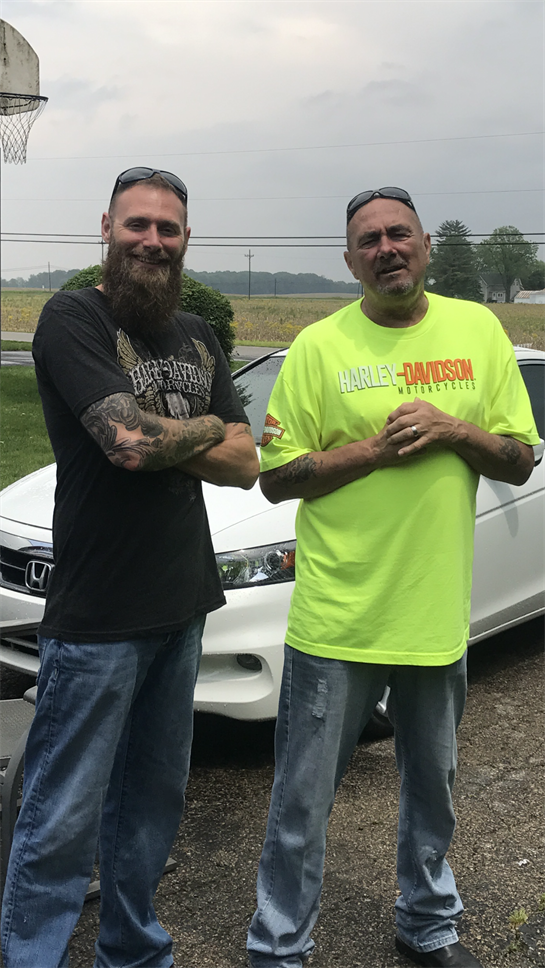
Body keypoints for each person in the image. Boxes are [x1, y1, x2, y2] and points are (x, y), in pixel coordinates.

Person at [247, 187, 539, 968]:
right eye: (368, 240)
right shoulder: (316, 347)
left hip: (434, 614)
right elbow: (276, 479)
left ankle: (427, 925)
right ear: (350, 262)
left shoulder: (477, 332)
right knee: (302, 804)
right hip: (335, 620)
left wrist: (452, 429)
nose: (385, 249)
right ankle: (278, 948)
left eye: (397, 234)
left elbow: (519, 457)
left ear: (424, 246)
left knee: (432, 794)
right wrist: (374, 451)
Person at [1, 167, 259, 968]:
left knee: (150, 805)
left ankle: (134, 950)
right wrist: (207, 425)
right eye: (138, 224)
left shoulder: (196, 335)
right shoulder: (72, 316)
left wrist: (188, 438)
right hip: (98, 615)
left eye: (168, 229)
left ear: (186, 241)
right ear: (106, 228)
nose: (152, 240)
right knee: (61, 812)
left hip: (182, 604)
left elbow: (248, 463)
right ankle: (30, 956)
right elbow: (127, 444)